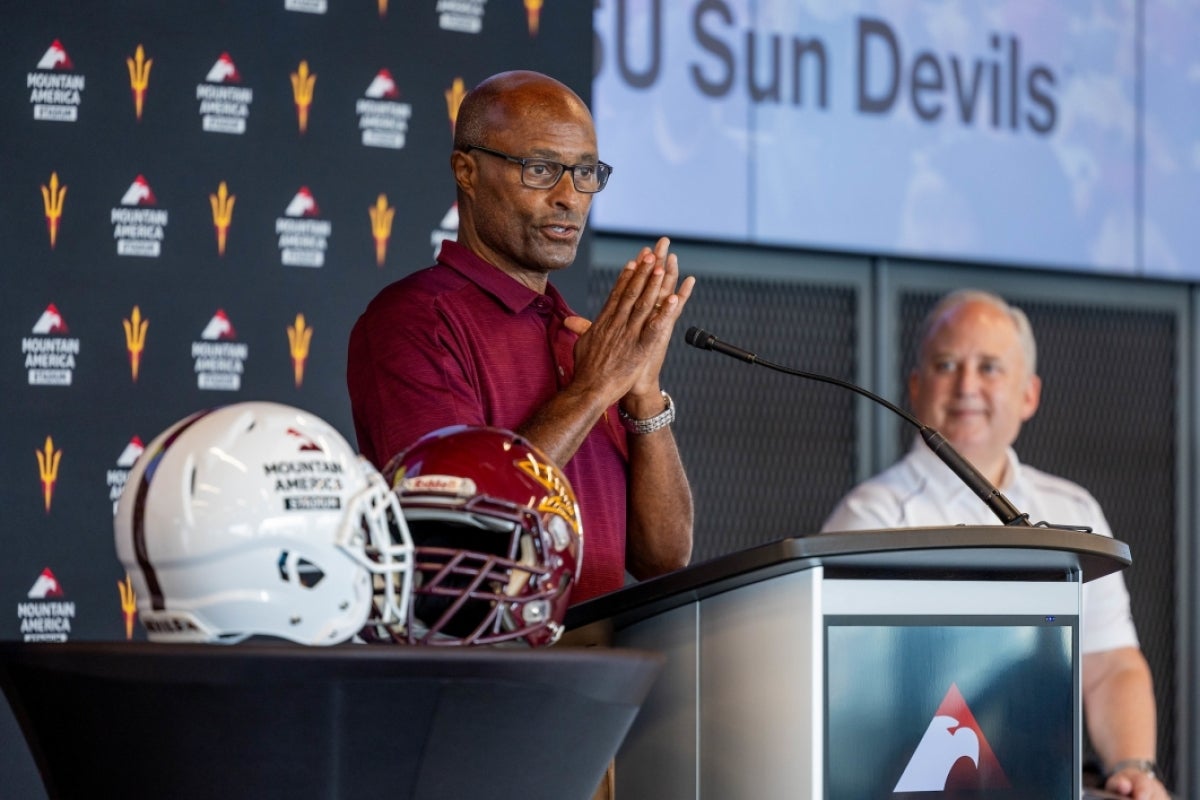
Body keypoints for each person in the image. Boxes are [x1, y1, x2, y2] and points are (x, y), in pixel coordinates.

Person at [347, 70, 695, 605]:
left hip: (600, 670)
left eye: (585, 172)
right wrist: (592, 390)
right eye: (540, 169)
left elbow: (664, 558)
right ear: (467, 170)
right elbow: (461, 523)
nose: (570, 198)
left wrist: (643, 394)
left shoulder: (578, 335)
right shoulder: (415, 320)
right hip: (486, 674)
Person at [822, 289, 1168, 800]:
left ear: (1029, 395)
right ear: (915, 388)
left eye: (989, 368)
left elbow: (1110, 663)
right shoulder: (871, 517)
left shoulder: (1075, 511)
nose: (967, 386)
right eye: (946, 365)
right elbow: (850, 698)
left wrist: (1135, 768)